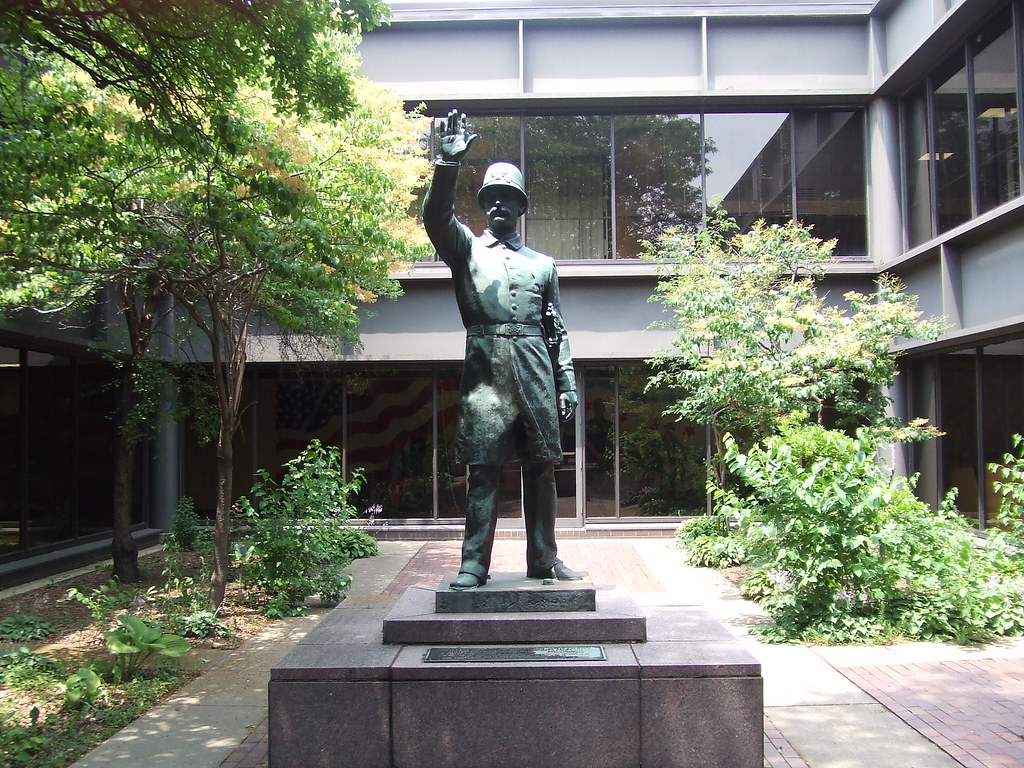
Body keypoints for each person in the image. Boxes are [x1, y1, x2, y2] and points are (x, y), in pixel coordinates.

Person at [423, 110, 582, 590]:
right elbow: (435, 216)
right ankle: (474, 564)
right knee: (483, 470)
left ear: (520, 206)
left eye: (507, 198)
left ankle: (544, 560)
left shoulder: (544, 265)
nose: (498, 205)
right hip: (486, 366)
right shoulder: (466, 250)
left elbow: (557, 327)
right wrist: (447, 165)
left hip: (535, 364)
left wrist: (566, 380)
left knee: (542, 468)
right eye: (490, 198)